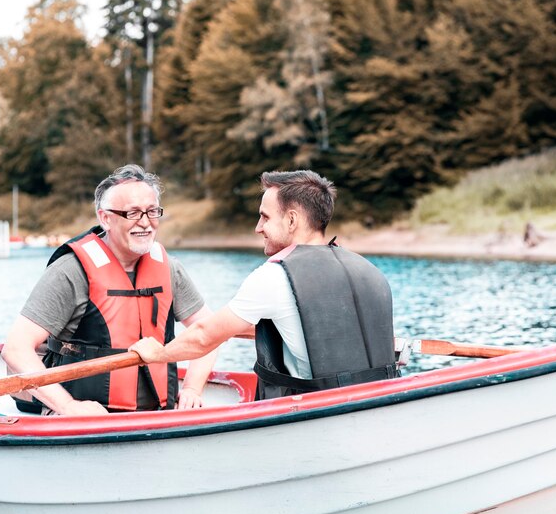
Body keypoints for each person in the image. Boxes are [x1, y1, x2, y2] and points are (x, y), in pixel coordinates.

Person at [131, 170, 399, 400]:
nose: (258, 227)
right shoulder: (367, 268)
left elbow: (203, 337)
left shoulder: (276, 276)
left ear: (292, 220)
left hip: (318, 406)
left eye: (265, 217)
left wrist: (158, 353)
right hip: (375, 398)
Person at [2, 164, 217, 415]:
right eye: (134, 213)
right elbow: (16, 349)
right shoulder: (70, 271)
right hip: (83, 417)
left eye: (152, 212)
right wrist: (69, 406)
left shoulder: (169, 268)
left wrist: (192, 388)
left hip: (157, 413)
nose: (146, 223)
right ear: (105, 218)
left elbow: (210, 332)